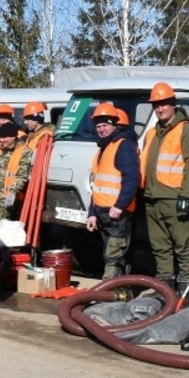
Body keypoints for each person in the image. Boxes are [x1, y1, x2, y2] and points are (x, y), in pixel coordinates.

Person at [140, 81, 189, 286]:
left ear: (173, 104)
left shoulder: (186, 130)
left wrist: (185, 195)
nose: (160, 108)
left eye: (164, 103)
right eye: (156, 105)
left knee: (183, 246)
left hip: (174, 198)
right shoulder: (151, 133)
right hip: (151, 198)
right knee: (159, 246)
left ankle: (185, 290)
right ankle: (164, 290)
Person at [85, 103, 139, 279]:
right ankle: (117, 292)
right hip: (102, 213)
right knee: (111, 254)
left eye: (105, 126)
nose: (101, 129)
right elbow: (97, 184)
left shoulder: (123, 146)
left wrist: (120, 206)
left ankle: (110, 294)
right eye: (98, 126)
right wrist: (92, 213)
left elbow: (131, 178)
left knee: (114, 256)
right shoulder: (104, 148)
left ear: (114, 125)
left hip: (116, 213)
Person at [0, 122, 29, 224]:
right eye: (0, 137)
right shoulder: (0, 149)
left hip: (4, 200)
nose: (1, 140)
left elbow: (21, 177)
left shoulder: (24, 151)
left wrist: (11, 194)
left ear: (13, 136)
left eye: (4, 137)